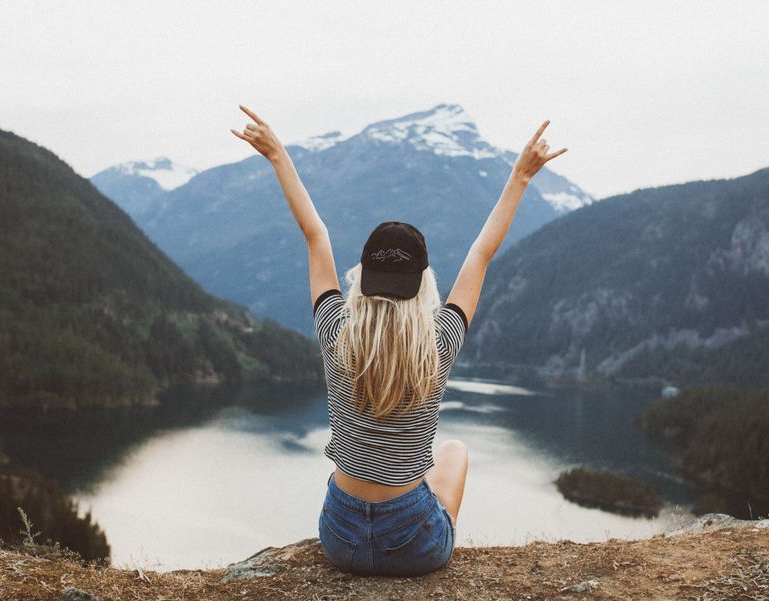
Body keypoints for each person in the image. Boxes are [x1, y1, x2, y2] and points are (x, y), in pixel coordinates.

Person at [231, 105, 566, 576]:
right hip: (415, 547)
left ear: (363, 278)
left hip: (340, 538)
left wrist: (278, 156)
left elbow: (315, 234)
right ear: (423, 283)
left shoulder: (336, 330)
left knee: (399, 470)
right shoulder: (439, 342)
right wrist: (520, 178)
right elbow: (482, 252)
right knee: (452, 452)